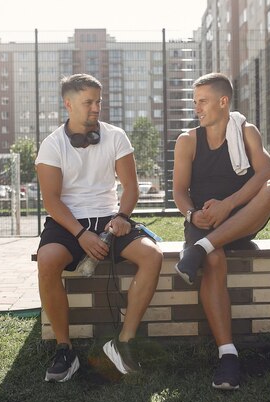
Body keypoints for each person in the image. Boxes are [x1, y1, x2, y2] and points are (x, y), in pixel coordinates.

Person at [35, 73, 163, 382]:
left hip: (110, 219)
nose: (96, 108)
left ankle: (123, 343)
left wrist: (121, 216)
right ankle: (65, 350)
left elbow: (131, 188)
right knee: (47, 260)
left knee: (153, 256)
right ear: (68, 104)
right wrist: (81, 234)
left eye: (99, 101)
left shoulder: (116, 136)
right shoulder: (52, 145)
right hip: (68, 223)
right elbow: (51, 201)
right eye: (88, 102)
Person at [172, 73, 270, 390]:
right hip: (202, 222)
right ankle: (228, 356)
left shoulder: (246, 131)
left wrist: (228, 205)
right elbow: (179, 191)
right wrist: (193, 214)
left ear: (224, 102)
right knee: (215, 261)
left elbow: (267, 173)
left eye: (203, 101)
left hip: (240, 218)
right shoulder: (187, 141)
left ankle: (197, 251)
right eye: (195, 102)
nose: (197, 108)